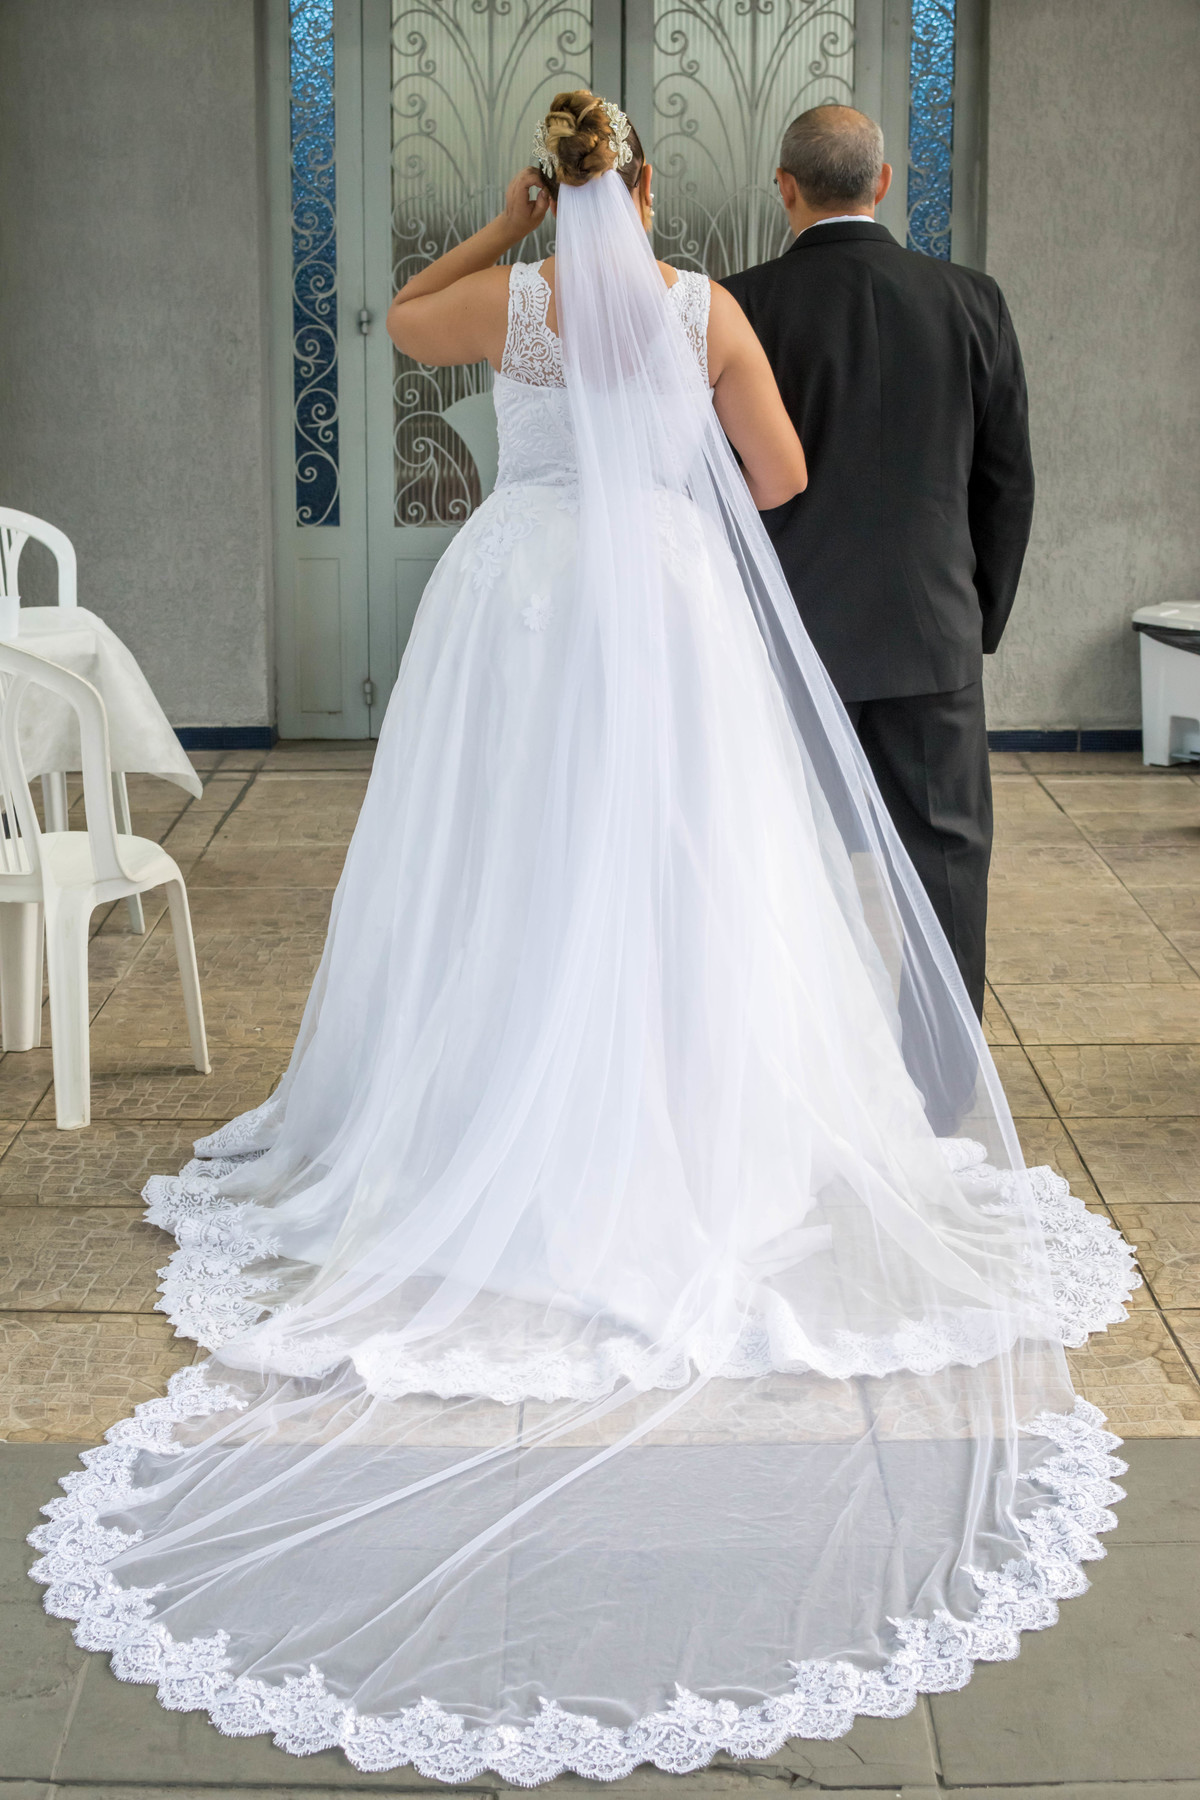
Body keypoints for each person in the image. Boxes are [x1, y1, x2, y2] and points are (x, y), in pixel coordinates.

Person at [31, 93, 1131, 1785]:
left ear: (559, 191)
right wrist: (672, 471)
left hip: (523, 599)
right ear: (655, 190)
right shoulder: (707, 312)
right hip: (670, 602)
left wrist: (507, 228)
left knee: (513, 860)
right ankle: (693, 1115)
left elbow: (400, 319)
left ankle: (501, 1104)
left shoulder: (517, 303)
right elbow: (782, 476)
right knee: (688, 867)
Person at [723, 106, 1035, 1019]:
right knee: (945, 866)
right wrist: (973, 615)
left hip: (786, 640)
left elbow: (713, 480)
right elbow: (1007, 483)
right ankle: (939, 1075)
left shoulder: (738, 307)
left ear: (784, 188)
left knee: (776, 859)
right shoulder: (972, 300)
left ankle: (789, 1063)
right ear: (883, 183)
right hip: (931, 636)